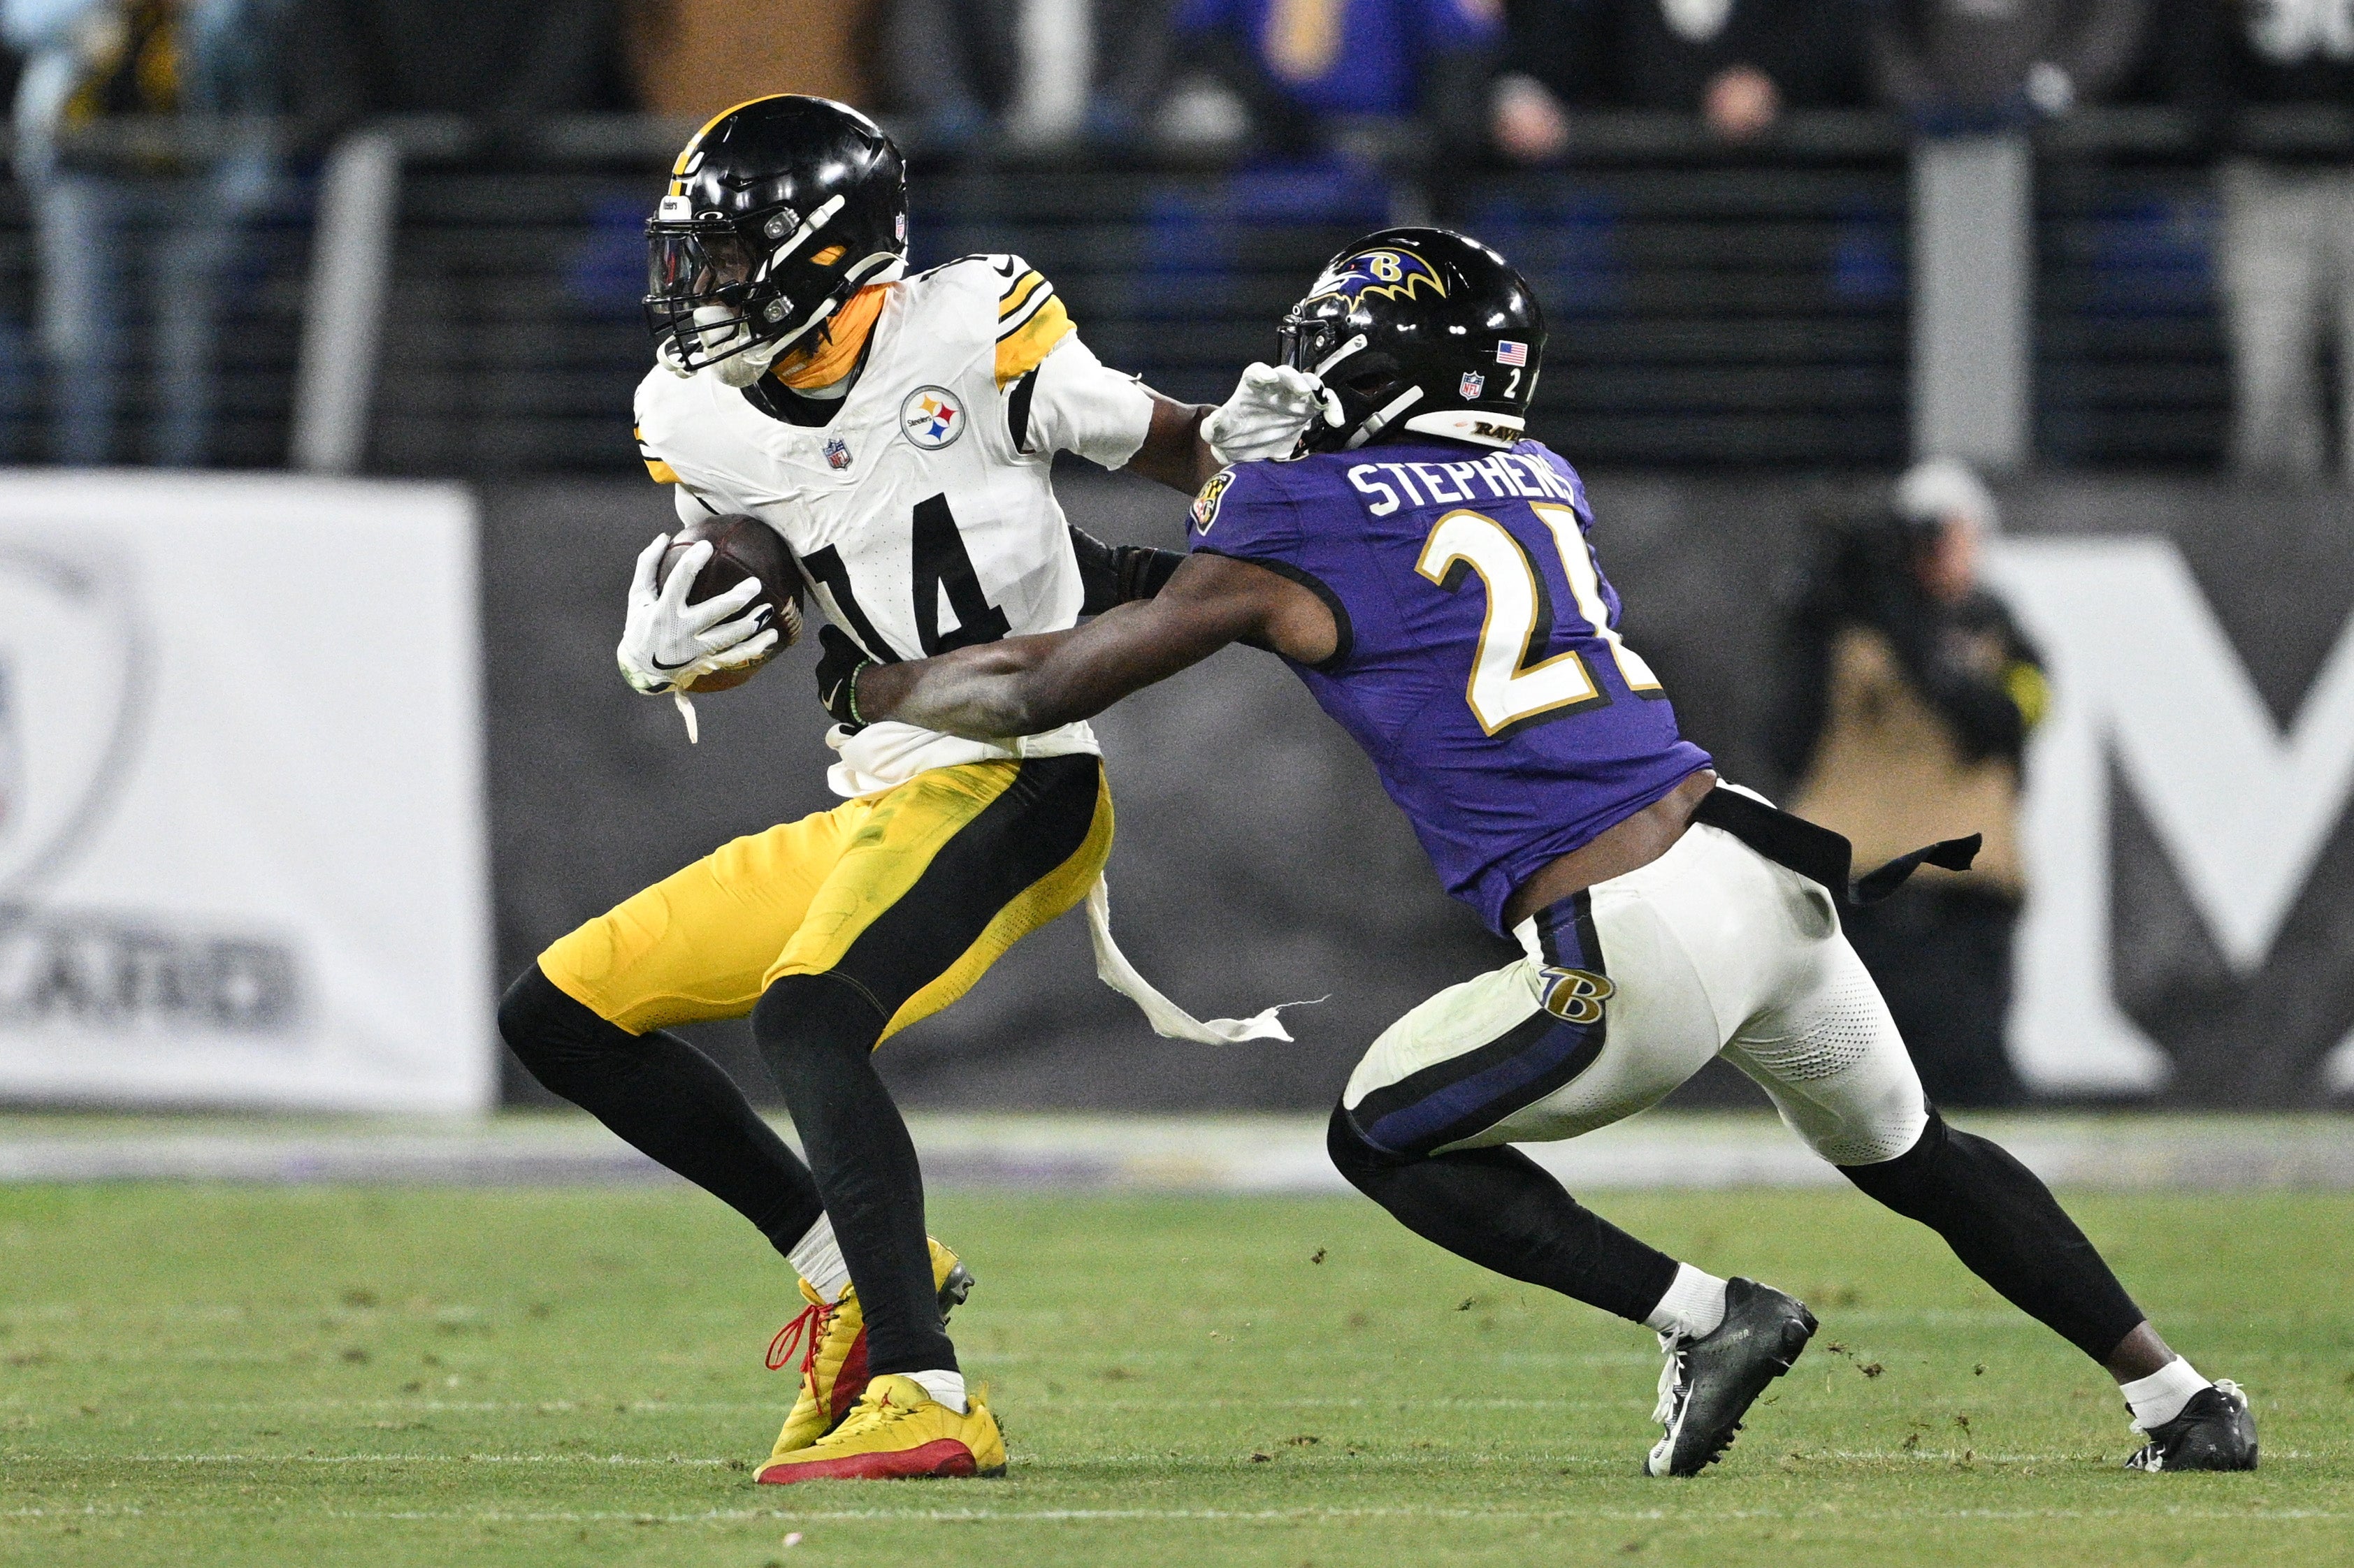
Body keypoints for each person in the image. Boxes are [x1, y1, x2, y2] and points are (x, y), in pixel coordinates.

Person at [828, 226, 2260, 1475]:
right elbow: (1330, 593)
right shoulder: (1538, 475)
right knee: (1920, 1155)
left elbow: (1052, 683)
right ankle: (2179, 1394)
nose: (1304, 374)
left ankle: (1705, 1315)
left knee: (1377, 1134)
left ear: (1388, 367)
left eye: (1330, 348)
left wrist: (873, 682)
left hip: (1625, 932)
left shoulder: (1295, 512)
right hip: (1750, 870)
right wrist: (1192, 534)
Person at [493, 95, 1325, 1484]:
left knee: (809, 1013)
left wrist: (1236, 446)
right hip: (883, 790)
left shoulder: (972, 325)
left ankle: (926, 1389)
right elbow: (751, 609)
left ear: (826, 252)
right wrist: (672, 653)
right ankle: (854, 1271)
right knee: (560, 1013)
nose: (693, 286)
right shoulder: (690, 411)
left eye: (724, 253)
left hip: (1021, 776)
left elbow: (1176, 447)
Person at [1770, 458, 2044, 1107]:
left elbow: (2005, 723)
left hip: (1964, 892)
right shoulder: (1846, 629)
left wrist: (1917, 634)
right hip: (1860, 883)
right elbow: (1786, 741)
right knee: (1856, 1089)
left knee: (1968, 1077)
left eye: (1947, 534)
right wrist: (1823, 614)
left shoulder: (1999, 632)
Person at [4, 0, 283, 465]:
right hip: (84, 175)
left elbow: (252, 43)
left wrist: (242, 195)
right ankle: (80, 472)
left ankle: (178, 476)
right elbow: (22, 21)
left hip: (189, 183)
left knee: (183, 347)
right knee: (83, 344)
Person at [1490, 0, 1866, 163]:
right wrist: (1524, 95)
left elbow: (1839, 47)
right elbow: (1561, 52)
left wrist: (1771, 85)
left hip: (1781, 208)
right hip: (1651, 218)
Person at [1160, 0, 1499, 162]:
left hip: (1374, 156)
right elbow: (1201, 31)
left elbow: (1458, 41)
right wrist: (1266, 105)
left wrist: (1443, 130)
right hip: (1266, 152)